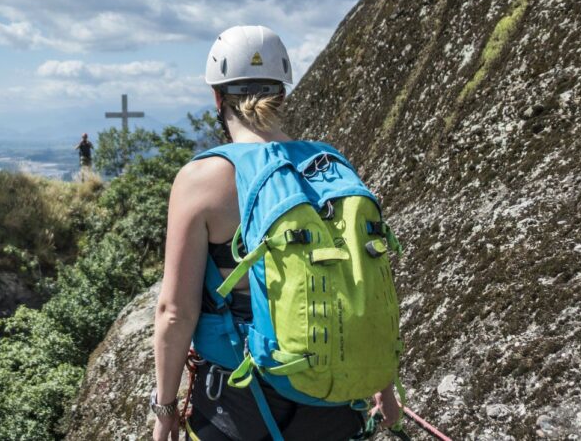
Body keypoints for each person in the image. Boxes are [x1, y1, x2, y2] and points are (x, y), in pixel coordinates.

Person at [151, 25, 400, 441]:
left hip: (239, 402)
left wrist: (164, 411)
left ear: (217, 97)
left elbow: (175, 312)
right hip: (335, 397)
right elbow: (362, 281)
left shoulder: (202, 179)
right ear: (282, 93)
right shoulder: (329, 164)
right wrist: (381, 384)